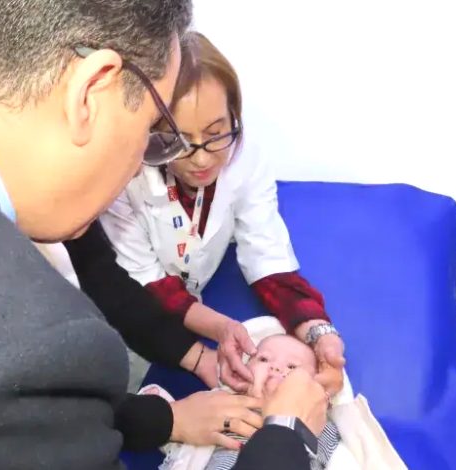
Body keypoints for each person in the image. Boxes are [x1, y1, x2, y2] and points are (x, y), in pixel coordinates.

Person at [0, 1, 327, 469]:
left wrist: (171, 407)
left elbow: (102, 272)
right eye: (152, 133)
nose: (153, 159)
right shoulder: (20, 355)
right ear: (90, 93)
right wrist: (286, 435)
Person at [100, 32, 347, 395]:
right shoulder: (127, 178)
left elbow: (268, 261)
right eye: (180, 142)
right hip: (118, 311)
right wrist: (222, 328)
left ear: (234, 117)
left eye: (216, 134)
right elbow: (149, 285)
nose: (201, 159)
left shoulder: (247, 163)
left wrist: (318, 331)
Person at [204, 335, 341, 470]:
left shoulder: (315, 421)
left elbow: (335, 450)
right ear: (241, 371)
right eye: (264, 359)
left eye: (292, 366)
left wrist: (323, 401)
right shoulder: (227, 403)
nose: (275, 366)